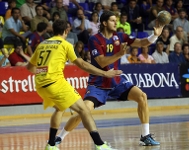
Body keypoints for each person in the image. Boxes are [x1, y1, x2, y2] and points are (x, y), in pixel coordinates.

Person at [55, 11, 163, 147]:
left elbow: (141, 43)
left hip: (116, 81)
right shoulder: (94, 39)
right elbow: (101, 62)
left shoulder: (120, 36)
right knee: (84, 111)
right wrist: (119, 54)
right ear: (104, 23)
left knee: (142, 96)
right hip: (98, 84)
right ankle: (60, 137)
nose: (115, 22)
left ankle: (145, 136)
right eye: (112, 20)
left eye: (115, 20)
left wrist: (155, 36)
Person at [26, 19, 122, 150]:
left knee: (60, 108)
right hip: (55, 83)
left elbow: (30, 67)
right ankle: (100, 145)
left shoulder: (42, 44)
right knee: (84, 111)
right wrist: (104, 74)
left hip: (40, 84)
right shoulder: (66, 45)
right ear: (66, 30)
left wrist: (44, 71)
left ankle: (51, 144)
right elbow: (82, 64)